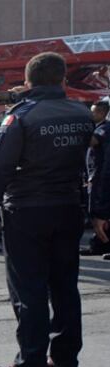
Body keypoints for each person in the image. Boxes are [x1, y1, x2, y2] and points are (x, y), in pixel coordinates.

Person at [0, 52, 93, 367]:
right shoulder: (82, 114)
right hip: (69, 208)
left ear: (28, 81)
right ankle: (66, 359)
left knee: (29, 289)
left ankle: (31, 364)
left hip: (27, 210)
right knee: (66, 287)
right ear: (63, 80)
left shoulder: (21, 116)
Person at [80, 99, 110, 257]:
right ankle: (99, 245)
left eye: (93, 112)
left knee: (101, 213)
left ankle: (103, 244)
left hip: (102, 178)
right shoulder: (98, 127)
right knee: (97, 213)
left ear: (102, 113)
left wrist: (79, 128)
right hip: (95, 177)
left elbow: (92, 142)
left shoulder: (104, 129)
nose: (90, 114)